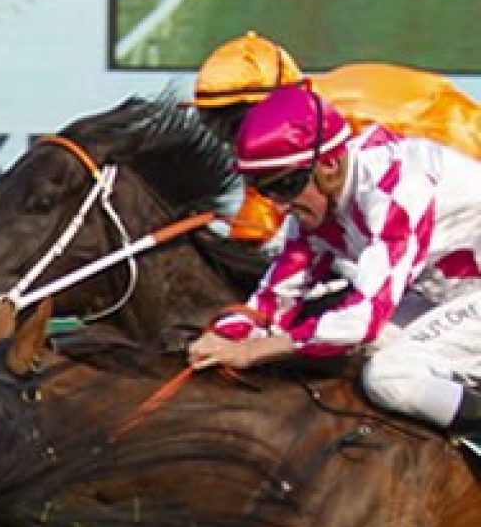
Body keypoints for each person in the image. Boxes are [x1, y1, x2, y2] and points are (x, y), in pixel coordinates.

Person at [187, 83, 481, 438]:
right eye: (267, 192)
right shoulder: (316, 206)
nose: (279, 208)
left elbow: (362, 321)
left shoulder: (396, 192)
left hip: (464, 295)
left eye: (285, 187)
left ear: (329, 164)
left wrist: (252, 351)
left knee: (390, 375)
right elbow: (273, 302)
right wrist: (219, 339)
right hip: (457, 295)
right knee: (349, 347)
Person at [189, 30, 481, 244]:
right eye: (213, 125)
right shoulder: (280, 135)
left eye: (233, 123)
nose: (230, 139)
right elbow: (256, 225)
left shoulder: (349, 121)